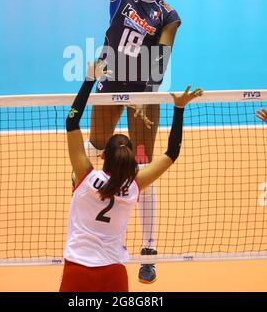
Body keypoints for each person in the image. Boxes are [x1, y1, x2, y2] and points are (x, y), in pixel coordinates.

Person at [84, 0, 182, 283]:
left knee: (143, 166)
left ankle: (148, 248)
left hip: (144, 94)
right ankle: (95, 228)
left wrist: (142, 90)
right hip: (109, 88)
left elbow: (160, 60)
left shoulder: (167, 14)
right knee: (93, 150)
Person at [59, 61, 203, 292]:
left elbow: (71, 121)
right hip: (114, 273)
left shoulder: (84, 178)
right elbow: (172, 153)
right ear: (129, 162)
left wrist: (89, 79)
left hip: (78, 269)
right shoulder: (134, 187)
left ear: (103, 155)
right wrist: (179, 109)